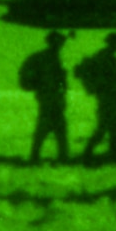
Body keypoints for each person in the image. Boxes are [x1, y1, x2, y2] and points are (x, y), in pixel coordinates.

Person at [75, 32, 116, 160]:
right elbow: (107, 78)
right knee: (105, 127)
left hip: (109, 95)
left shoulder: (106, 56)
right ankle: (89, 153)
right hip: (108, 96)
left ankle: (111, 153)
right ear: (112, 43)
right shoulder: (105, 57)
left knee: (113, 127)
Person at [20, 31, 70, 163]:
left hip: (54, 96)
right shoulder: (44, 57)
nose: (61, 44)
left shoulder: (54, 57)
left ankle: (58, 156)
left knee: (57, 127)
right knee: (48, 127)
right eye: (59, 42)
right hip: (48, 96)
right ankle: (40, 156)